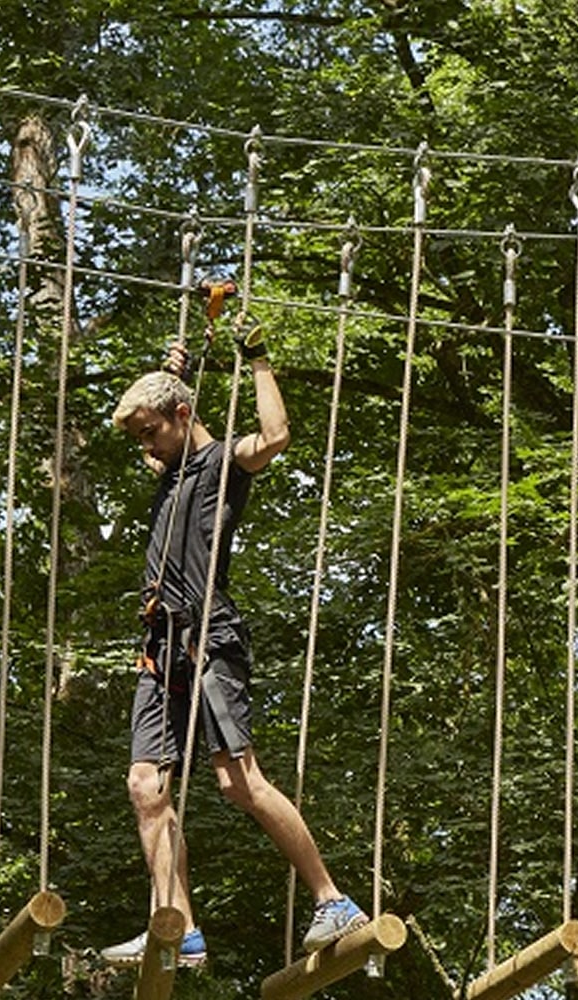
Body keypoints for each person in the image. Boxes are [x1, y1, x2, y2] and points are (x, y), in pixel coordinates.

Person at [99, 331, 366, 967]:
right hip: (159, 645)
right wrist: (174, 373)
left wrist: (258, 360)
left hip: (208, 636)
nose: (145, 447)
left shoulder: (223, 463)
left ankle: (334, 900)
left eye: (149, 434)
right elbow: (168, 424)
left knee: (237, 782)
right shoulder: (171, 466)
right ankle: (177, 926)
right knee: (144, 786)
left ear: (182, 418)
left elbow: (274, 436)